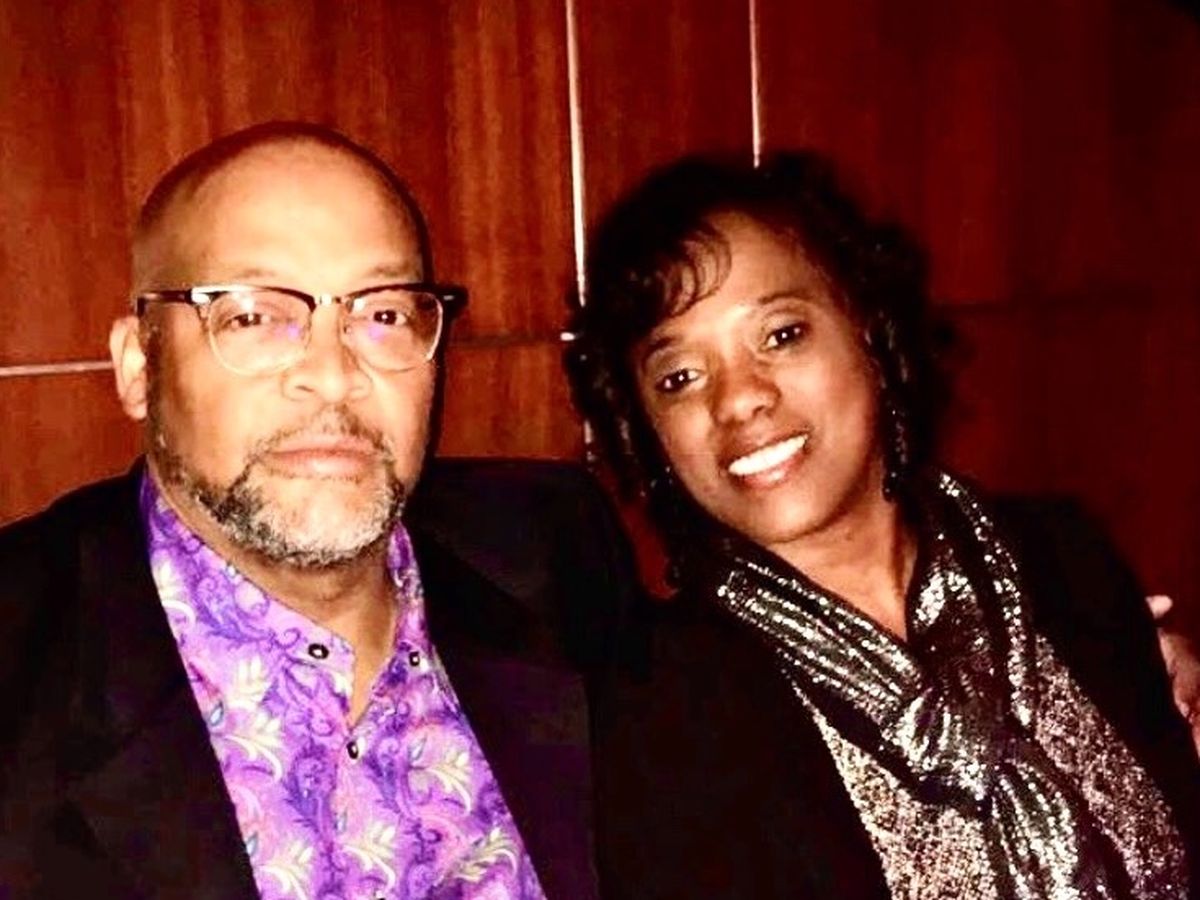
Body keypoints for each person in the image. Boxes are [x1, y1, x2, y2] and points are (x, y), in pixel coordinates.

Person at [0, 122, 637, 900]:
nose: (333, 376)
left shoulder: (551, 554)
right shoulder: (21, 667)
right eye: (253, 317)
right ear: (140, 365)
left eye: (383, 315)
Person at [566, 151, 1200, 899]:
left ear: (869, 331)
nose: (737, 400)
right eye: (679, 378)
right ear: (649, 434)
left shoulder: (1063, 561)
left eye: (781, 335)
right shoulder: (663, 718)